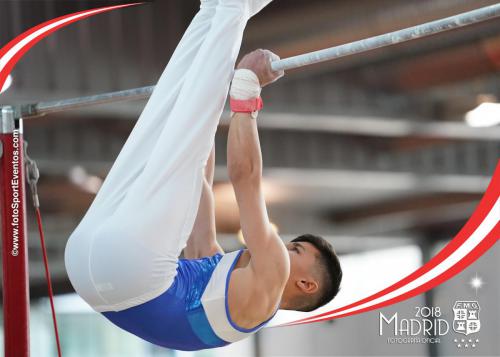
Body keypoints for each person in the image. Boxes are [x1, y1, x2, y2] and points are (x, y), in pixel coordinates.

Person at [64, 0, 342, 351]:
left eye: (296, 249)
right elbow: (200, 187)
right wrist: (203, 112)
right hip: (88, 264)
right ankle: (212, 12)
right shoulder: (224, 284)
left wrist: (246, 88)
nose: (284, 245)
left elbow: (246, 178)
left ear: (306, 285)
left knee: (179, 129)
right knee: (164, 115)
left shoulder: (272, 276)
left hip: (133, 272)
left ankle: (230, 8)